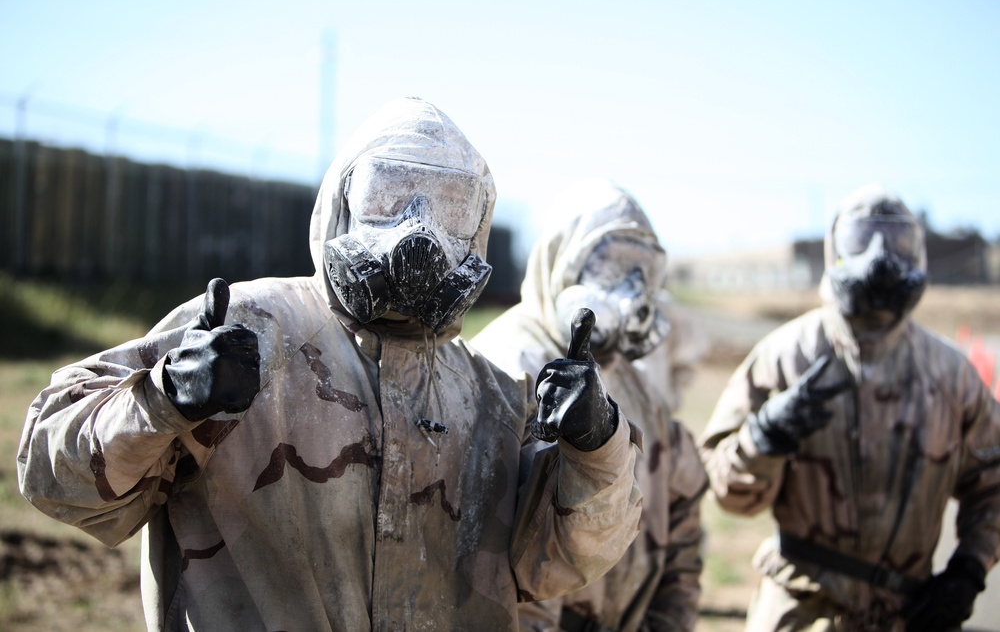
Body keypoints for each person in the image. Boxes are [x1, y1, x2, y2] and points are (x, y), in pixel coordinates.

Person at [17, 97, 643, 631]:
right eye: (390, 197)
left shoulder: (492, 397)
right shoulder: (250, 329)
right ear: (342, 202)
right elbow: (54, 476)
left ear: (476, 228)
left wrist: (597, 448)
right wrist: (163, 398)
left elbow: (554, 564)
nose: (418, 235)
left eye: (450, 209)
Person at [699, 184, 1000, 631]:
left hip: (911, 613)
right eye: (862, 240)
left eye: (897, 243)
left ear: (917, 255)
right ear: (835, 252)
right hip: (802, 608)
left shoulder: (950, 375)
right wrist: (764, 437)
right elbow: (728, 494)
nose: (880, 257)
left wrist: (968, 570)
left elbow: (992, 482)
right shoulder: (786, 356)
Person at [473, 180, 708, 632]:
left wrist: (667, 621)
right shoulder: (501, 365)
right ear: (561, 260)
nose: (633, 290)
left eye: (644, 270)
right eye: (612, 265)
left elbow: (683, 516)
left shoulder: (640, 390)